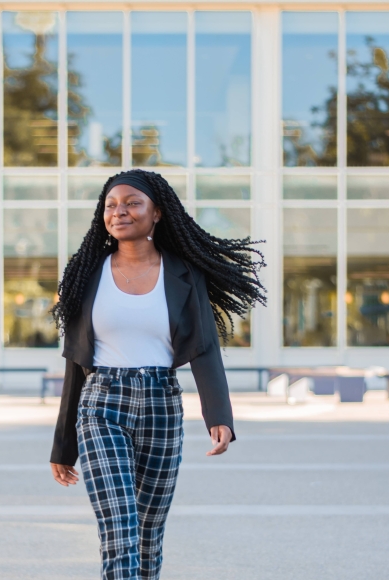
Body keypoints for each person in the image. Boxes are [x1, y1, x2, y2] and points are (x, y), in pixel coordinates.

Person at [50, 169, 266, 580]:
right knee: (119, 525)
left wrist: (219, 415)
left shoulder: (184, 274)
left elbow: (204, 346)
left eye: (133, 203)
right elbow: (75, 360)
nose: (120, 212)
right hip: (102, 404)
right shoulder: (85, 272)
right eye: (111, 205)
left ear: (158, 213)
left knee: (148, 531)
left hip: (161, 404)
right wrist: (64, 445)